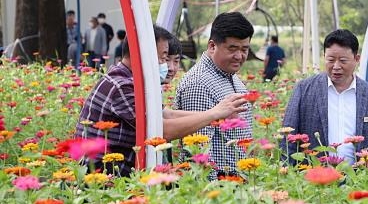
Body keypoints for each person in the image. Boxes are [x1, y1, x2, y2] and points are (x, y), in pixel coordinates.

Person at [76, 25, 248, 176]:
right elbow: (161, 130)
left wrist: (218, 114)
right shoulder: (123, 86)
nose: (167, 65)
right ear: (142, 52)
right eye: (164, 57)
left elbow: (166, 114)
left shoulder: (132, 80)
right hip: (102, 177)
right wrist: (214, 113)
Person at [281, 29, 368, 163]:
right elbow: (288, 136)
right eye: (330, 60)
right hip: (314, 177)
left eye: (343, 60)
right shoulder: (304, 90)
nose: (336, 66)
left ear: (356, 59)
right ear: (324, 56)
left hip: (359, 178)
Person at [174, 12, 255, 178]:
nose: (239, 56)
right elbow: (197, 152)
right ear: (212, 46)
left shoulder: (232, 78)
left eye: (244, 49)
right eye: (232, 49)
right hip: (216, 191)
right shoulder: (199, 84)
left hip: (237, 185)